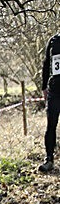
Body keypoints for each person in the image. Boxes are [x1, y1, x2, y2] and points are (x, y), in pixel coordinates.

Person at [39, 33, 60, 173]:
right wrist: (44, 87)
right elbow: (47, 64)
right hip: (55, 90)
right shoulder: (54, 40)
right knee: (51, 124)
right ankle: (49, 159)